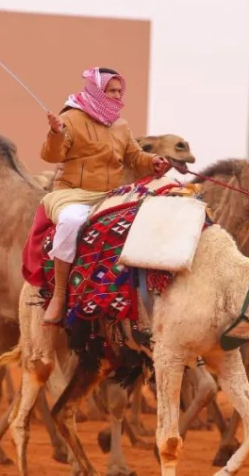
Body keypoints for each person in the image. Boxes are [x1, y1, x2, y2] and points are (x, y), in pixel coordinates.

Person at [40, 67, 170, 327]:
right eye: (111, 90)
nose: (117, 95)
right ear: (96, 90)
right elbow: (51, 156)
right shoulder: (72, 118)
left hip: (109, 195)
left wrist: (152, 161)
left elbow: (134, 157)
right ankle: (60, 294)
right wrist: (56, 133)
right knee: (70, 222)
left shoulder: (120, 125)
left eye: (120, 91)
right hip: (72, 194)